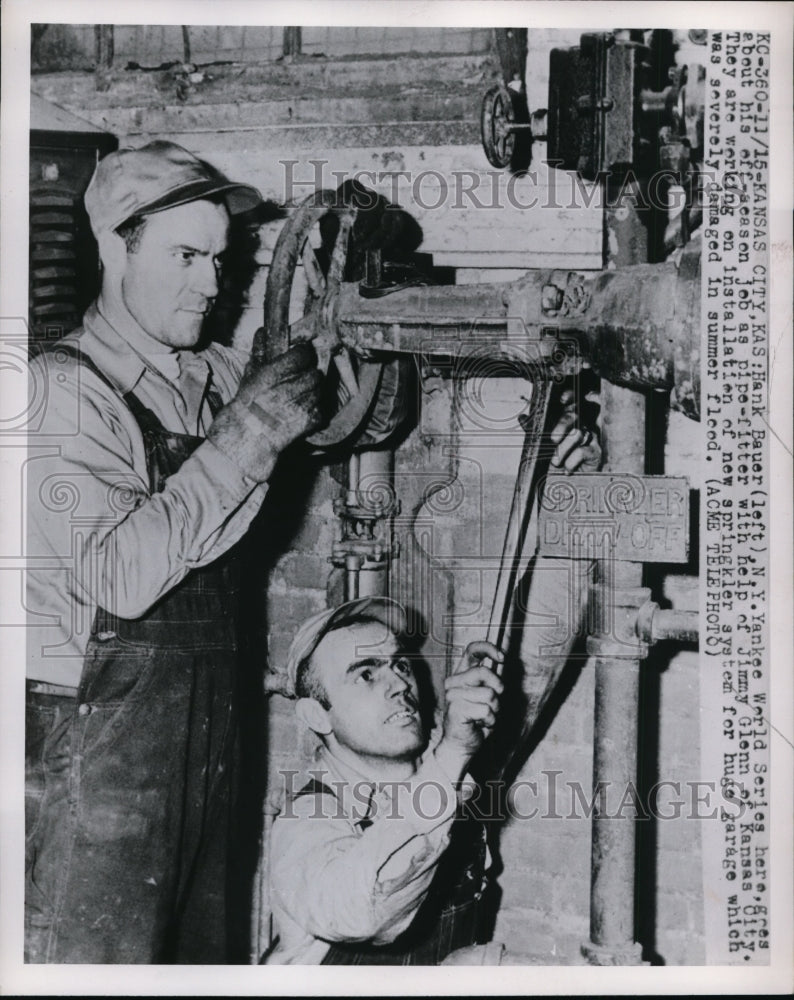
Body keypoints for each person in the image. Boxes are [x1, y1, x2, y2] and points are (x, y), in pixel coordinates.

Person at [24, 140, 323, 964]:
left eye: (220, 260)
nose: (211, 284)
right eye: (184, 256)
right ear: (113, 250)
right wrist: (251, 435)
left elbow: (322, 403)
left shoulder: (210, 376)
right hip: (100, 759)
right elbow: (122, 573)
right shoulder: (64, 389)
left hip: (208, 737)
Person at [265, 596, 505, 965]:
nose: (400, 685)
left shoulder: (448, 776)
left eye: (400, 665)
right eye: (366, 673)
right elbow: (360, 913)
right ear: (317, 716)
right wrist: (453, 751)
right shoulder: (306, 820)